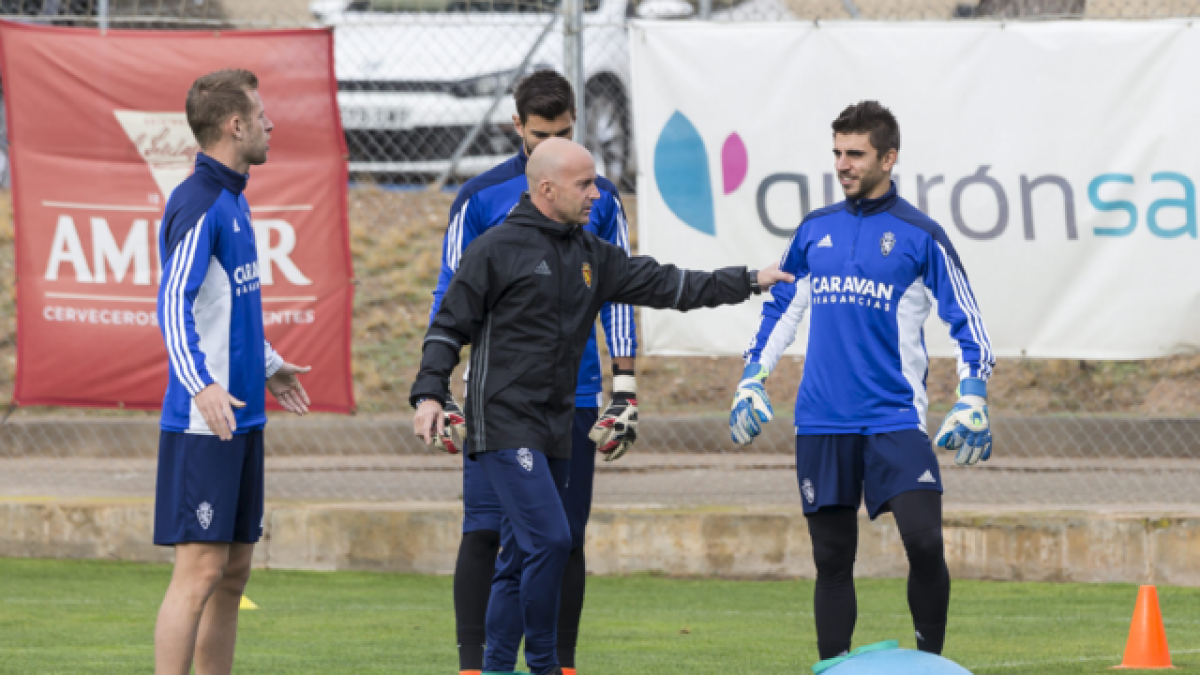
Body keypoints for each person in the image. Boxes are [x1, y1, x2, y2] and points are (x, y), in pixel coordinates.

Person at [412, 137, 793, 675]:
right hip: (501, 420)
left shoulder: (591, 254)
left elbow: (671, 285)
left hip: (559, 422)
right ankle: (543, 664)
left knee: (523, 554)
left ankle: (497, 667)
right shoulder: (495, 250)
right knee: (551, 537)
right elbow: (447, 325)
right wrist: (430, 392)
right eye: (585, 184)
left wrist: (749, 279)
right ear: (547, 189)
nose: (598, 194)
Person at [729, 101, 995, 661]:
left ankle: (930, 664)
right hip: (821, 421)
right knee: (831, 561)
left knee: (924, 541)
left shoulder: (921, 235)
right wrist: (752, 379)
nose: (843, 164)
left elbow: (967, 320)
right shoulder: (814, 230)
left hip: (893, 418)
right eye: (837, 153)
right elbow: (782, 309)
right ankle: (831, 668)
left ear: (888, 157)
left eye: (855, 154)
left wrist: (973, 396)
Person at [430, 69, 638, 675]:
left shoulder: (595, 196)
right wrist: (440, 389)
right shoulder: (479, 201)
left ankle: (560, 666)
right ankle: (478, 667)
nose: (553, 142)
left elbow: (621, 290)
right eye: (541, 133)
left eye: (567, 131)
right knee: (486, 531)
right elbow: (451, 296)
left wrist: (622, 387)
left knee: (562, 535)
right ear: (515, 127)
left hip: (573, 395)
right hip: (498, 400)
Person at [152, 69, 312, 675]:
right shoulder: (199, 203)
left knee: (234, 571)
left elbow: (227, 309)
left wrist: (268, 365)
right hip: (205, 423)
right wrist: (203, 385)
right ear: (234, 125)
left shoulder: (236, 200)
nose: (271, 124)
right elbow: (173, 306)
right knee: (197, 573)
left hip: (243, 414)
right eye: (261, 114)